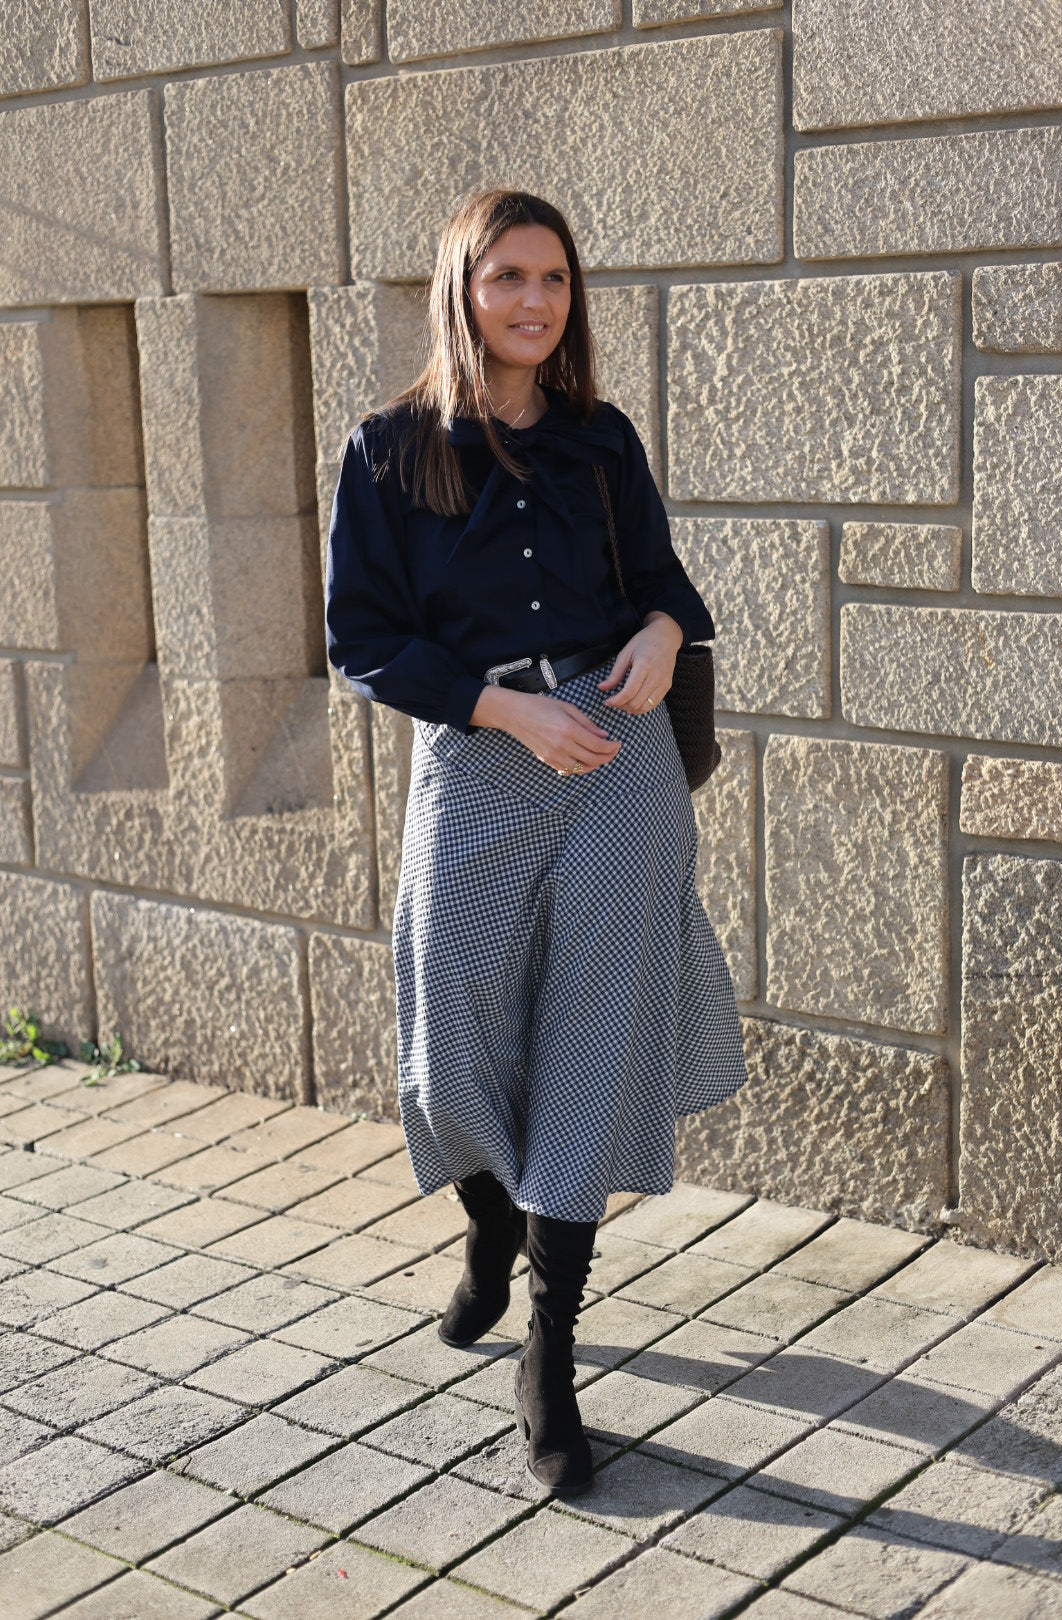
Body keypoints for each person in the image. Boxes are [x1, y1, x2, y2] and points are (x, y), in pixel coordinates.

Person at [325, 188, 749, 1495]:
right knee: (452, 1029)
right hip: (481, 751)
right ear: (463, 285)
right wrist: (504, 709)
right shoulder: (388, 451)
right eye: (508, 275)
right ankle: (489, 1226)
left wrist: (663, 635)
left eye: (554, 278)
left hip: (617, 758)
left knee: (593, 1038)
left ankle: (551, 1355)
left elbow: (662, 587)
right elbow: (361, 638)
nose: (534, 300)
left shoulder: (600, 441)